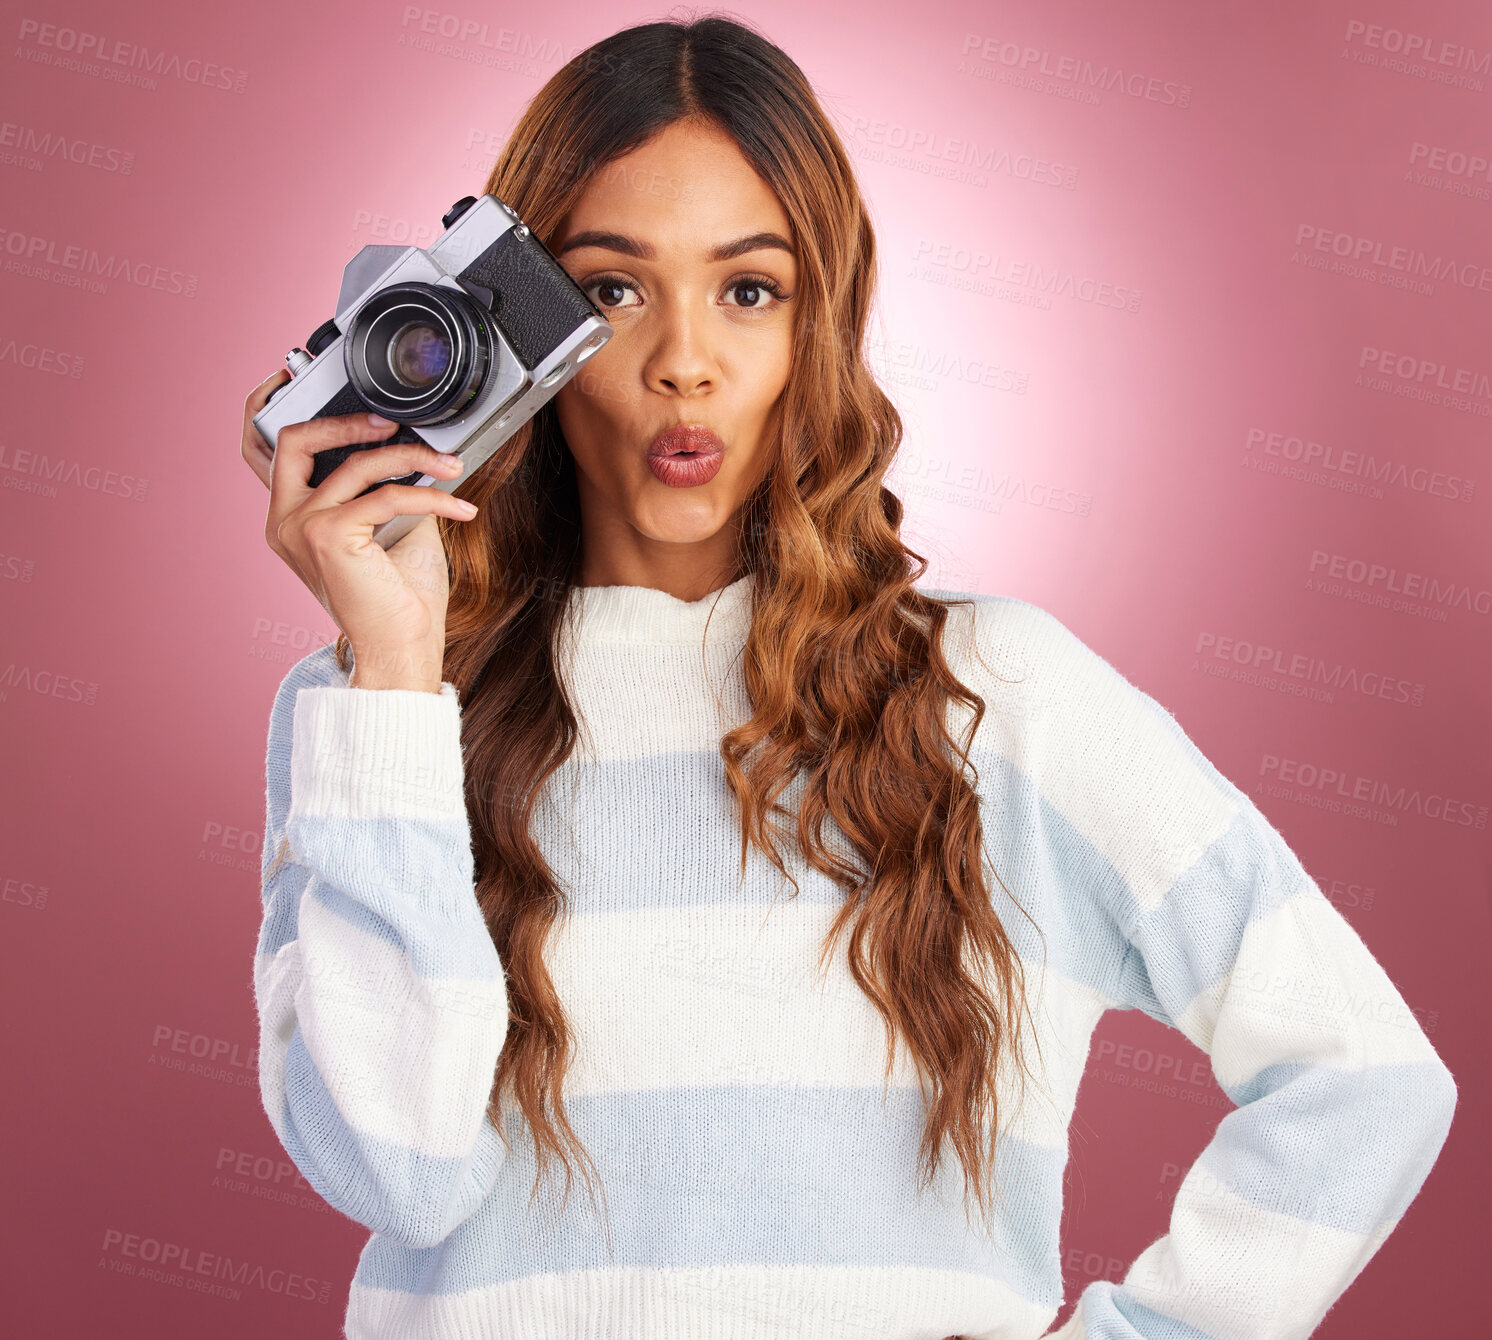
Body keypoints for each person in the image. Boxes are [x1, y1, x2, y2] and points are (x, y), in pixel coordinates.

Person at [238, 15, 1456, 1340]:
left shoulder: (995, 695)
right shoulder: (377, 715)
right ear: (515, 328)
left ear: (826, 318)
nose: (685, 362)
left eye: (749, 290)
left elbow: (1366, 1077)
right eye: (610, 291)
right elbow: (401, 1176)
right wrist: (401, 661)